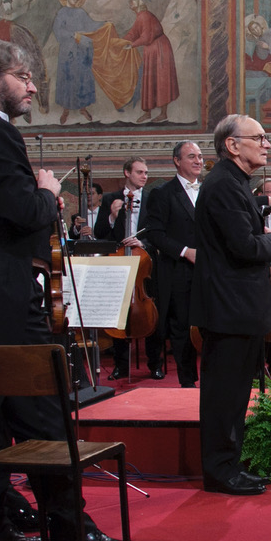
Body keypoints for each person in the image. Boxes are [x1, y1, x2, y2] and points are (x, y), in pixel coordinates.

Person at [0, 36, 133, 541]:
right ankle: (69, 530)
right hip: (5, 299)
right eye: (24, 77)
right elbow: (22, 212)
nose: (33, 88)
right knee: (45, 417)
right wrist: (47, 192)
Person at [189, 114, 271, 495]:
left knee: (234, 395)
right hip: (229, 309)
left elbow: (239, 211)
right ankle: (220, 471)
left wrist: (263, 203)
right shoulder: (224, 185)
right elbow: (245, 246)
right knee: (224, 396)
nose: (267, 144)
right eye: (259, 137)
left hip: (235, 308)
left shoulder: (231, 182)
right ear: (232, 145)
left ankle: (229, 464)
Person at [141, 141, 204, 389]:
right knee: (182, 329)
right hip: (179, 271)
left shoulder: (209, 191)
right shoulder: (163, 193)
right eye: (192, 156)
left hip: (209, 271)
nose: (198, 161)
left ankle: (213, 381)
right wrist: (186, 252)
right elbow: (155, 234)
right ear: (177, 161)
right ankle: (188, 384)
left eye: (200, 156)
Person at [98, 157, 163, 380]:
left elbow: (158, 232)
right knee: (121, 314)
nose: (144, 176)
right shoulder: (111, 199)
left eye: (146, 173)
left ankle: (155, 364)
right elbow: (100, 233)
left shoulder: (153, 199)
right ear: (127, 173)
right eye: (139, 172)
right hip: (119, 262)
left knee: (152, 313)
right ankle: (120, 365)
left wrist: (142, 243)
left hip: (146, 264)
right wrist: (112, 216)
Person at [122, 0, 179, 123]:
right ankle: (147, 113)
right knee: (149, 80)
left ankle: (163, 114)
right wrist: (121, 42)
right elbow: (133, 33)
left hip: (160, 50)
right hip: (151, 50)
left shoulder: (145, 16)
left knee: (161, 80)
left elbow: (146, 38)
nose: (130, 2)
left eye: (133, 0)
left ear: (139, 2)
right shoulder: (141, 16)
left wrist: (132, 45)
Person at [51, 0, 101, 124]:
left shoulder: (81, 12)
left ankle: (83, 108)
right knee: (67, 79)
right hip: (68, 52)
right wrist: (73, 35)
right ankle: (66, 110)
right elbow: (58, 30)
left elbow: (91, 26)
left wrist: (103, 25)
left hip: (82, 52)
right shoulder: (62, 13)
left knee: (83, 78)